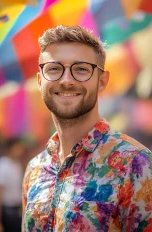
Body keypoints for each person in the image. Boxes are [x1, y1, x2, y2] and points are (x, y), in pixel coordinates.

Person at [22, 25, 152, 232]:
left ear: (102, 81)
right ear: (40, 81)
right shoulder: (34, 169)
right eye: (54, 69)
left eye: (81, 69)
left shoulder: (136, 165)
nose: (66, 80)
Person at [0, 138, 24, 232]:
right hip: (6, 211)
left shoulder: (17, 164)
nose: (20, 150)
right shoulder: (2, 165)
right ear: (11, 148)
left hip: (17, 210)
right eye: (18, 147)